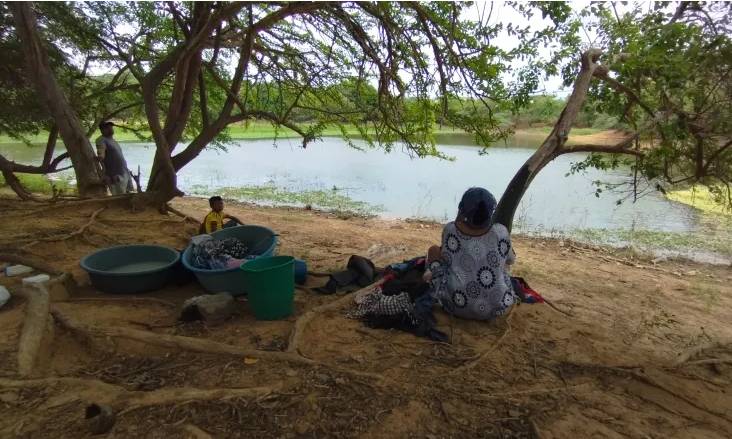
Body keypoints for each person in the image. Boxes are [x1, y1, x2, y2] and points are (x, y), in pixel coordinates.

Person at [425, 187, 517, 320]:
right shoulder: (500, 232)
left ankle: (427, 276)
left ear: (462, 209)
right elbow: (511, 260)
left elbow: (445, 257)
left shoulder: (450, 230)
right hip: (496, 308)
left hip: (455, 306)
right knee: (503, 265)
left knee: (433, 250)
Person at [95, 121, 132, 195]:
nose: (110, 128)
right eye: (107, 127)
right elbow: (101, 150)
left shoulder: (113, 140)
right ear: (102, 130)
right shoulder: (101, 140)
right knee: (119, 197)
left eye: (111, 127)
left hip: (124, 172)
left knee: (128, 194)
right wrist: (101, 156)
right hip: (115, 175)